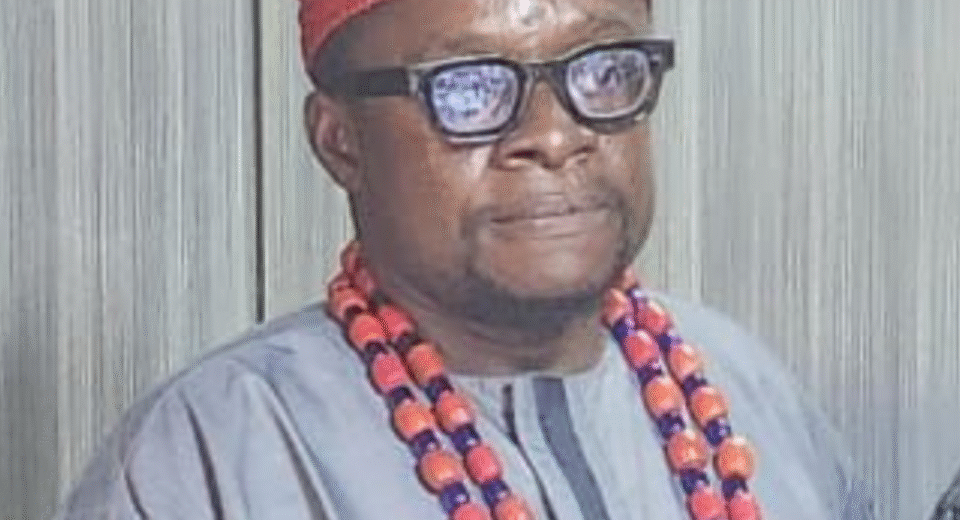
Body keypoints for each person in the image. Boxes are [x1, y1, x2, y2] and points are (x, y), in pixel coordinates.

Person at [57, 0, 875, 518]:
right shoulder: (209, 454)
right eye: (469, 87)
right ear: (340, 142)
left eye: (603, 70)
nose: (553, 135)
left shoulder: (746, 395)